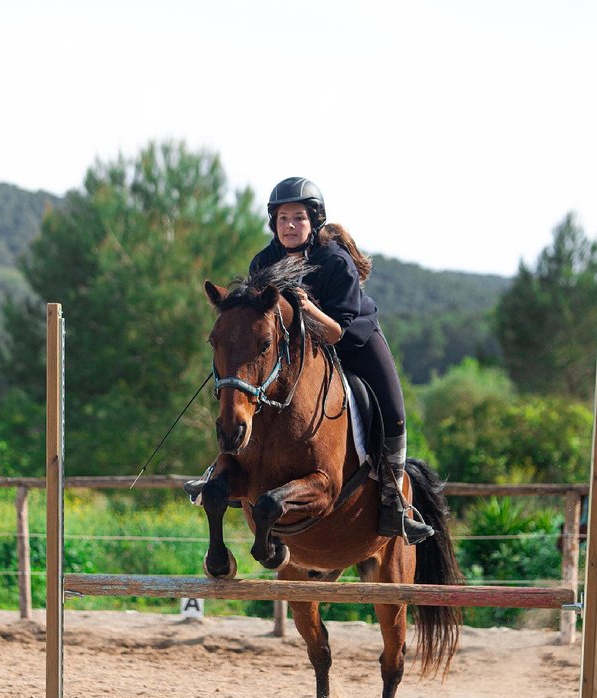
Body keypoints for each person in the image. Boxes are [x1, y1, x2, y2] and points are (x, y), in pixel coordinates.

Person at [186, 176, 434, 545]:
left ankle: (393, 499)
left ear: (313, 221)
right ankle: (226, 471)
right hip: (298, 351)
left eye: (298, 218)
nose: (290, 225)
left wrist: (309, 309)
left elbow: (339, 332)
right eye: (283, 218)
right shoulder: (265, 260)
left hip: (352, 338)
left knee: (393, 410)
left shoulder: (334, 261)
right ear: (274, 223)